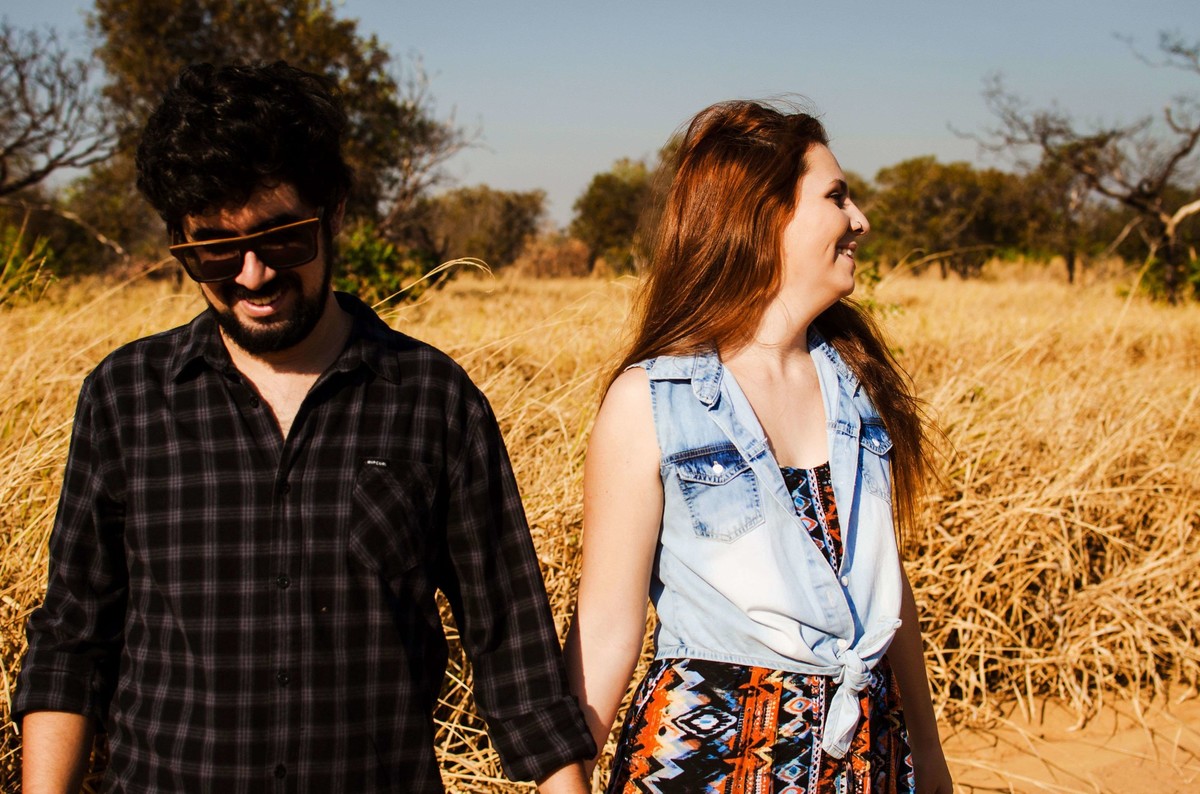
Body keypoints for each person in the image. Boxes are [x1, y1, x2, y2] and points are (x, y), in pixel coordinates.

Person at [14, 61, 594, 793]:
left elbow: (514, 653)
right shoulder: (126, 399)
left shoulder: (433, 400)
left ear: (335, 214)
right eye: (215, 249)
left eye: (281, 238)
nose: (252, 274)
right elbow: (71, 641)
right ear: (179, 244)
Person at [564, 100, 954, 793]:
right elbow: (605, 625)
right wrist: (567, 782)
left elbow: (885, 595)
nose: (860, 219)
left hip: (867, 759)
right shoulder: (653, 400)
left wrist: (928, 758)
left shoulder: (858, 384)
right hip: (702, 768)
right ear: (766, 216)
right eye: (836, 197)